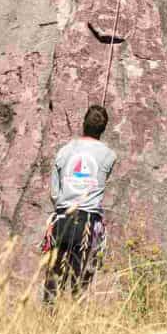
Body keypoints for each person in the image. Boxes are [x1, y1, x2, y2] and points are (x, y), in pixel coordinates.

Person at [42, 104, 117, 299]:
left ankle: (47, 321)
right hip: (88, 224)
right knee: (79, 285)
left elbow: (54, 193)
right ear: (104, 128)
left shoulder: (63, 151)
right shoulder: (109, 156)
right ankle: (74, 322)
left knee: (53, 280)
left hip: (62, 219)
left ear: (83, 123)